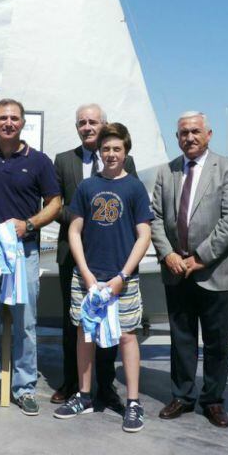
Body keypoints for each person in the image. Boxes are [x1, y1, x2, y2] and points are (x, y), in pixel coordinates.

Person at [52, 122, 152, 433]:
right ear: (100, 151)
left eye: (117, 149)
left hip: (123, 279)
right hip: (89, 278)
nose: (111, 154)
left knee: (127, 336)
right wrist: (84, 272)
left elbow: (144, 234)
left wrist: (123, 275)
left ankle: (133, 402)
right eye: (106, 148)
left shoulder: (135, 188)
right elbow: (74, 230)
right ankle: (83, 394)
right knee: (86, 334)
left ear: (126, 151)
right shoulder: (86, 187)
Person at [0, 98, 61, 417]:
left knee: (25, 323)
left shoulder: (39, 161)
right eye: (3, 118)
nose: (8, 123)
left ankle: (24, 389)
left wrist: (30, 223)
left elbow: (55, 202)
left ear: (22, 123)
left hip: (24, 252)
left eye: (14, 118)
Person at [150, 111, 228, 428]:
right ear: (177, 137)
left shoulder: (227, 169)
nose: (189, 137)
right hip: (176, 270)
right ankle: (182, 396)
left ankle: (213, 400)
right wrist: (168, 254)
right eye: (183, 133)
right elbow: (155, 219)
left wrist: (198, 258)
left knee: (217, 342)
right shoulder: (166, 171)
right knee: (182, 338)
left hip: (214, 271)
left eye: (195, 131)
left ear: (209, 134)